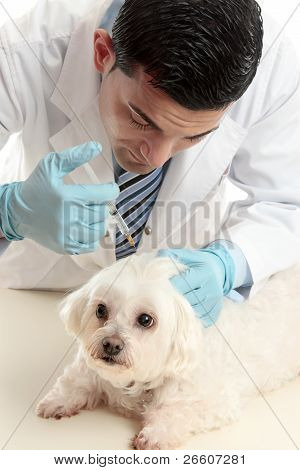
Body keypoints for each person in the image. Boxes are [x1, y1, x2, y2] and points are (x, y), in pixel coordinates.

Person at [0, 0, 299, 327]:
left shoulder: (274, 66)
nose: (155, 158)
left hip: (167, 314)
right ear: (103, 53)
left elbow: (286, 203)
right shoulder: (25, 49)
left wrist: (226, 266)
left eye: (193, 136)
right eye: (142, 120)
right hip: (39, 291)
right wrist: (11, 211)